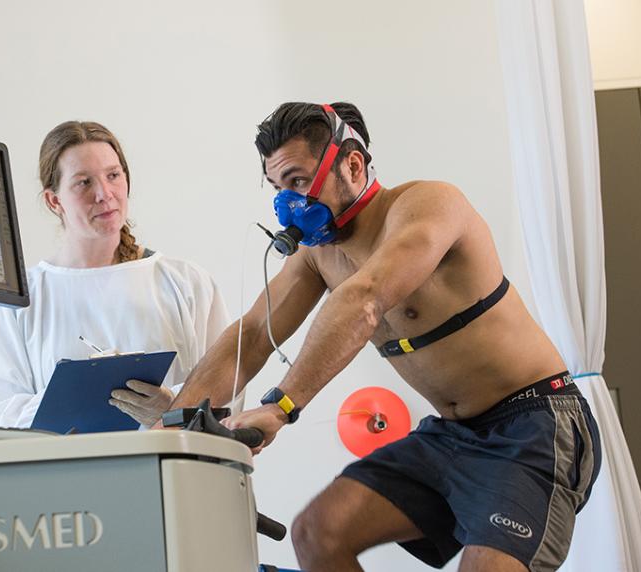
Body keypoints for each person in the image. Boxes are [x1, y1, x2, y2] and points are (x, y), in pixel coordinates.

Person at [166, 102, 601, 572]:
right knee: (319, 533)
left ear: (352, 165)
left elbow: (365, 299)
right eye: (277, 188)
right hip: (454, 434)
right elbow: (251, 337)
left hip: (534, 422)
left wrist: (280, 406)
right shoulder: (319, 256)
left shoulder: (427, 205)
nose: (287, 203)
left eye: (296, 182)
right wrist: (165, 433)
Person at [0, 120, 229, 429]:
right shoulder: (18, 300)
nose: (104, 193)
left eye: (113, 176)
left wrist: (173, 407)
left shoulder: (186, 283)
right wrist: (79, 394)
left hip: (173, 471)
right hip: (67, 474)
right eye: (83, 182)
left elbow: (228, 388)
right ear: (54, 200)